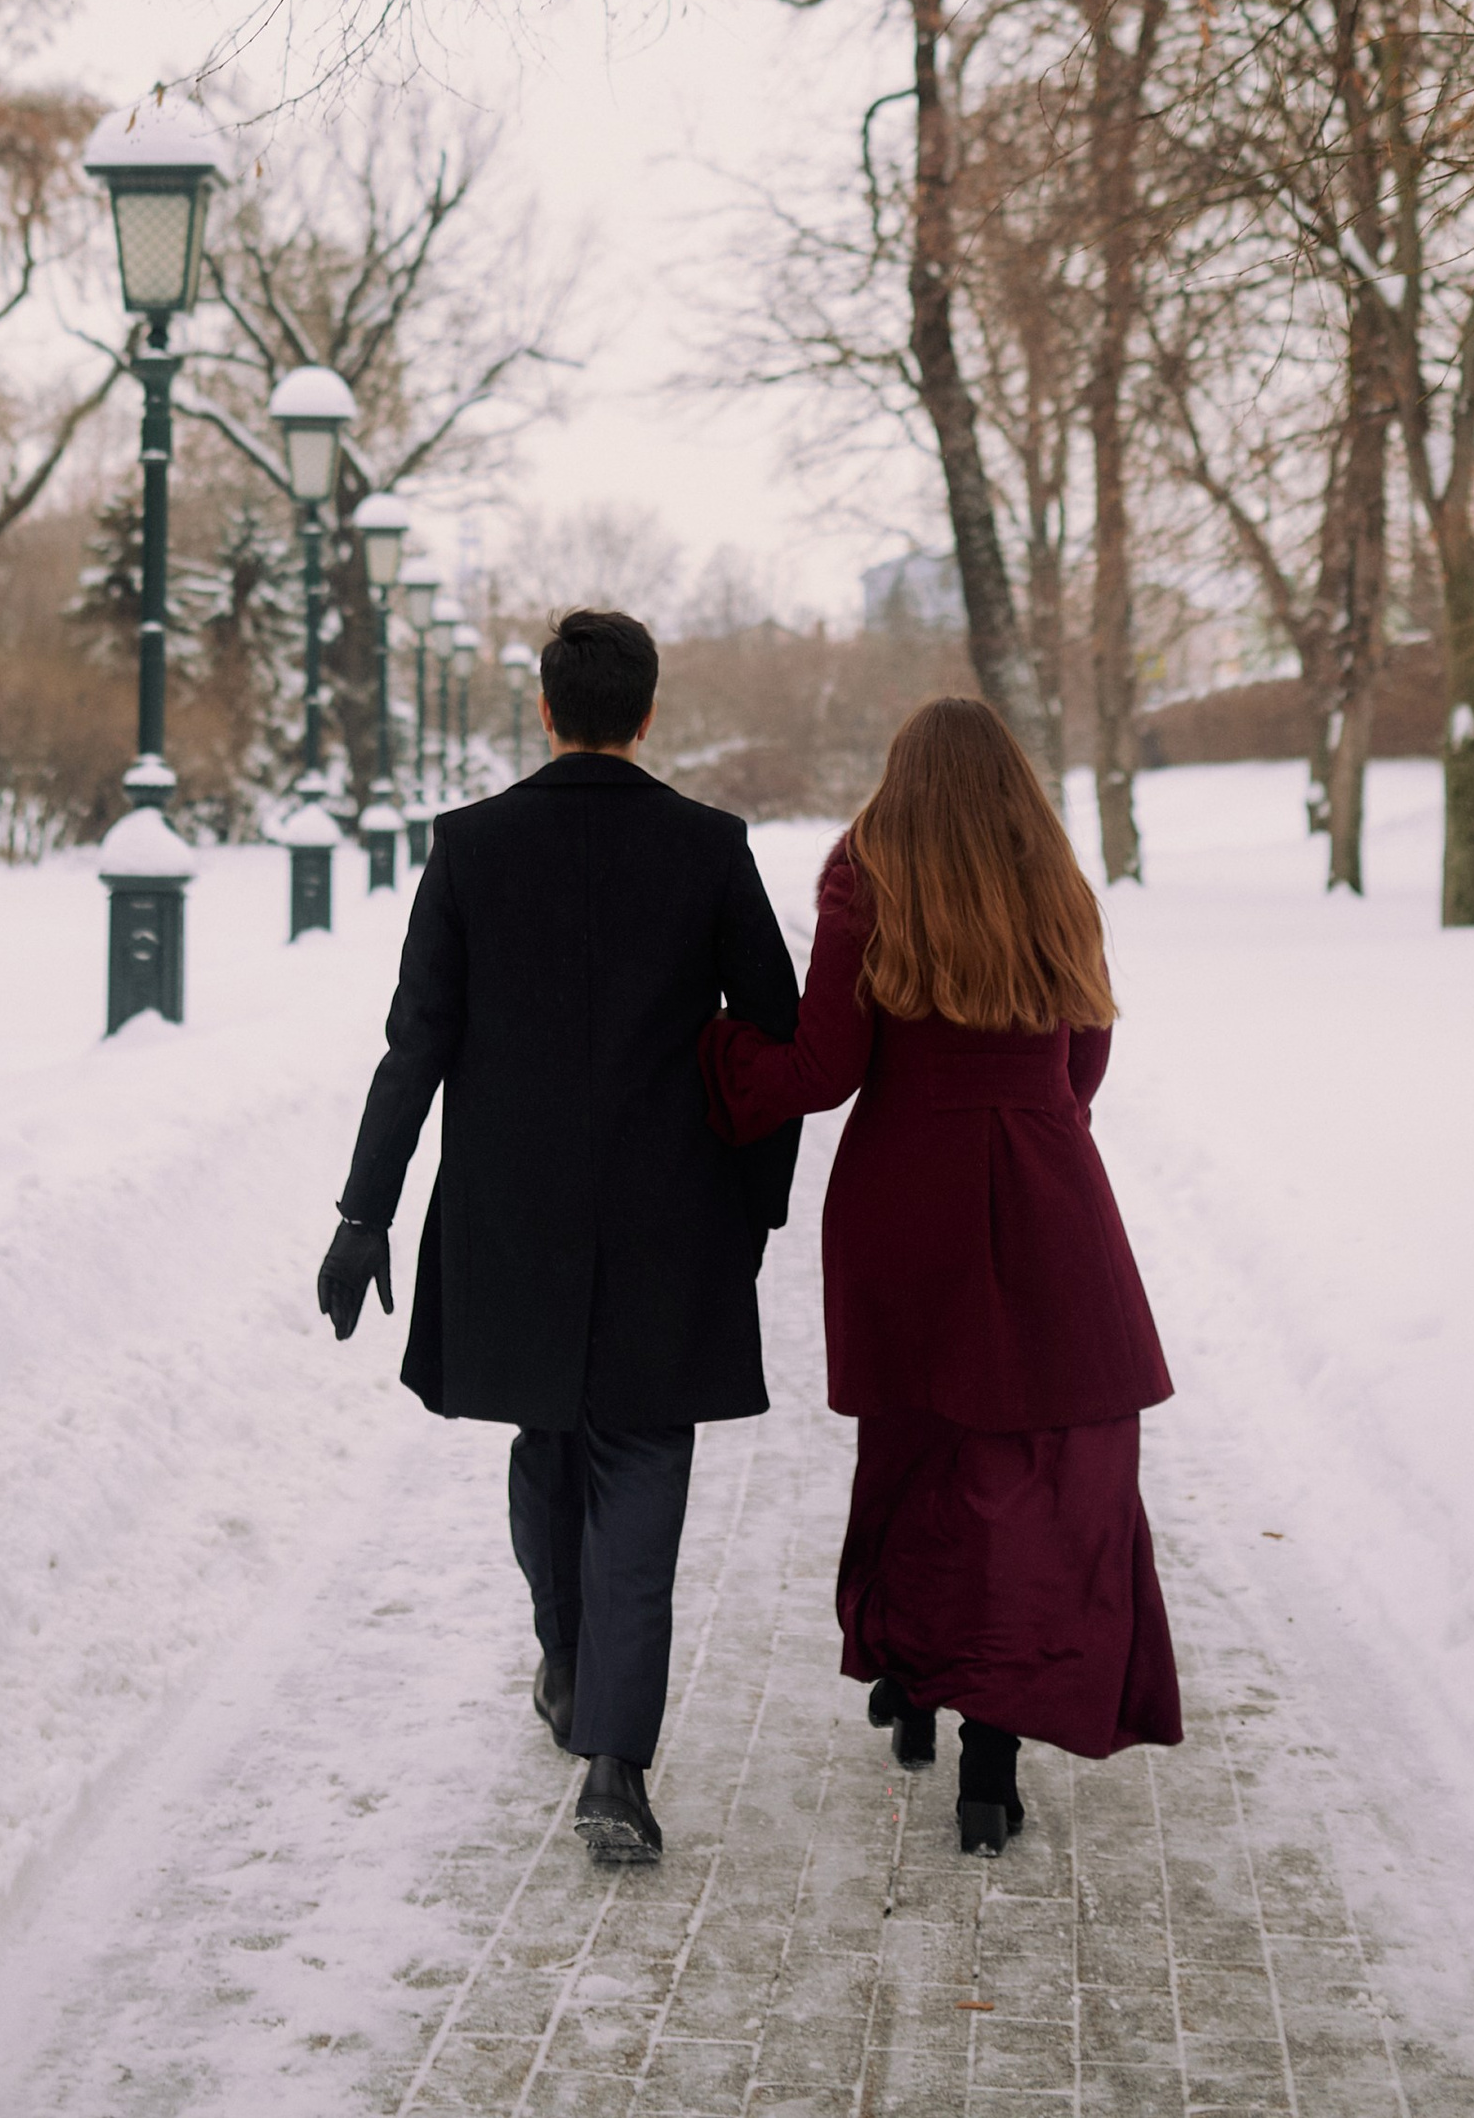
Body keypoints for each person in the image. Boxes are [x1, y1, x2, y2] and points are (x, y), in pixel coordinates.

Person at [317, 605, 801, 1869]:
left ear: (546, 709)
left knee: (547, 1435)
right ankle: (614, 1763)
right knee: (641, 1462)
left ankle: (568, 1657)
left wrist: (365, 1211)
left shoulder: (470, 845)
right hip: (669, 1216)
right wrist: (754, 1203)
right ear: (647, 712)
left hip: (510, 1213)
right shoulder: (709, 847)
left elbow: (417, 1038)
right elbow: (777, 1040)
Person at [700, 692, 1180, 1854]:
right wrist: (1035, 1132)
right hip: (1044, 1188)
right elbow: (1085, 1056)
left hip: (903, 1192)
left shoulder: (867, 872)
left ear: (899, 774)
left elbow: (825, 1066)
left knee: (914, 1446)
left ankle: (912, 1678)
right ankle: (988, 1761)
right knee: (1022, 1469)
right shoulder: (1054, 879)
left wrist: (716, 1052)